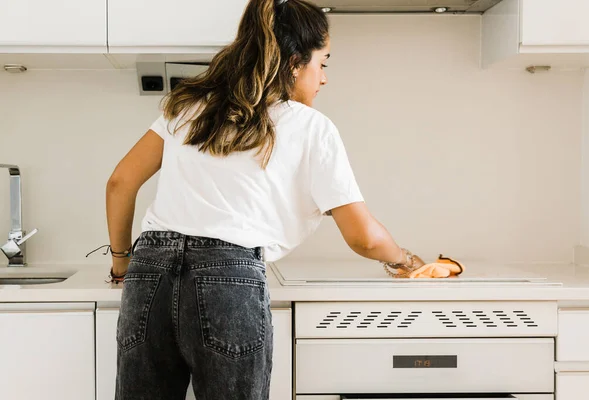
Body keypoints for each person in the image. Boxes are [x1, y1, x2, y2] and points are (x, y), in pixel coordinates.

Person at [105, 0, 426, 399]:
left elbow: (120, 181)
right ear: (295, 62)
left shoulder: (189, 107)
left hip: (148, 274)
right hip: (228, 279)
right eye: (322, 63)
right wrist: (406, 260)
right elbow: (363, 237)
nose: (323, 78)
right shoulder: (312, 127)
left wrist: (123, 264)